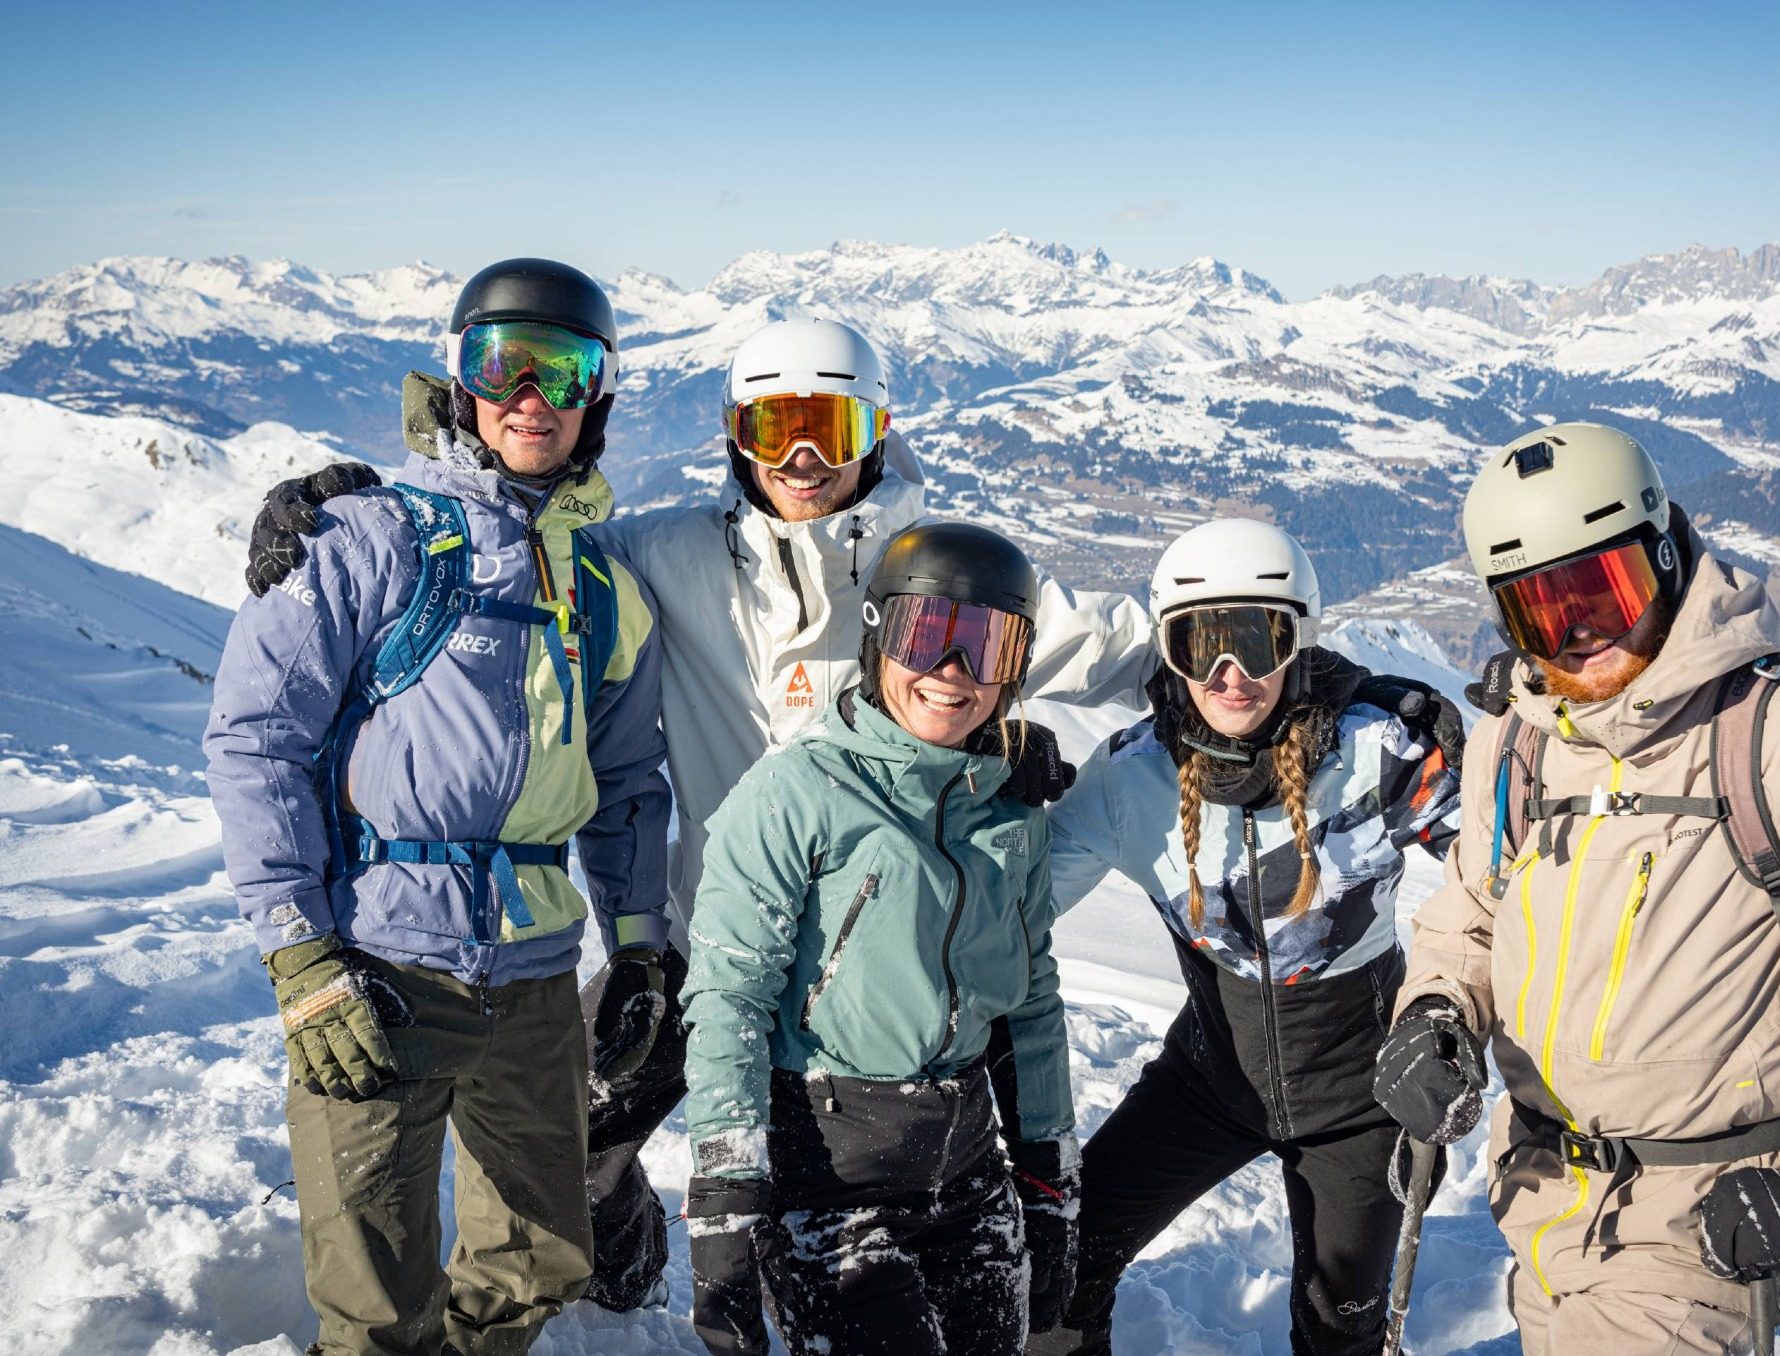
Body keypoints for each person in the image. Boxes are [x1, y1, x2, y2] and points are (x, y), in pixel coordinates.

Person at [242, 315, 1155, 1309]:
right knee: (573, 1135)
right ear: (734, 435)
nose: (803, 460)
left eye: (830, 428)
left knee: (909, 1177)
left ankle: (970, 1298)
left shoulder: (928, 575)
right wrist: (353, 513)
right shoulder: (662, 553)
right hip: (705, 943)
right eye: (775, 430)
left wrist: (1281, 665)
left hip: (887, 966)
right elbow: (511, 549)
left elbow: (1130, 648)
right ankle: (622, 1269)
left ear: (876, 432)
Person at [1372, 422, 1780, 1355]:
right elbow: (1470, 918)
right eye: (1540, 610)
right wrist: (1435, 1015)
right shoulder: (1518, 741)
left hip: (1703, 1228)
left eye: (1601, 590)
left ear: (1664, 558)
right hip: (1542, 1202)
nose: (1577, 632)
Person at [206, 258, 674, 1356]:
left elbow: (627, 790)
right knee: (373, 1293)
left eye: (562, 371)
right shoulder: (373, 541)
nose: (529, 396)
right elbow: (256, 739)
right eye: (499, 363)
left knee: (540, 1251)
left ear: (595, 395)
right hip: (381, 963)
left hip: (534, 971)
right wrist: (302, 960)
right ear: (458, 380)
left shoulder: (600, 591)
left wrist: (643, 946)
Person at [1028, 520, 1462, 1356]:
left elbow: (1511, 891)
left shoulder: (1382, 752)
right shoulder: (1130, 780)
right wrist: (988, 799)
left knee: (1341, 1326)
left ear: (1298, 639)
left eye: (1257, 642)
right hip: (1210, 1084)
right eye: (1201, 645)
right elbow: (1008, 912)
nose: (1230, 675)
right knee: (1064, 1267)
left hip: (1363, 1101)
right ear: (1168, 651)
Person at [679, 522, 1079, 1356]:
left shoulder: (1010, 806)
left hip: (968, 1167)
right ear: (876, 635)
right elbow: (729, 997)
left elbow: (1031, 999)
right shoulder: (797, 793)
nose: (952, 673)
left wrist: (1049, 1173)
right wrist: (725, 1191)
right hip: (831, 1170)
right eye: (926, 634)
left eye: (987, 646)